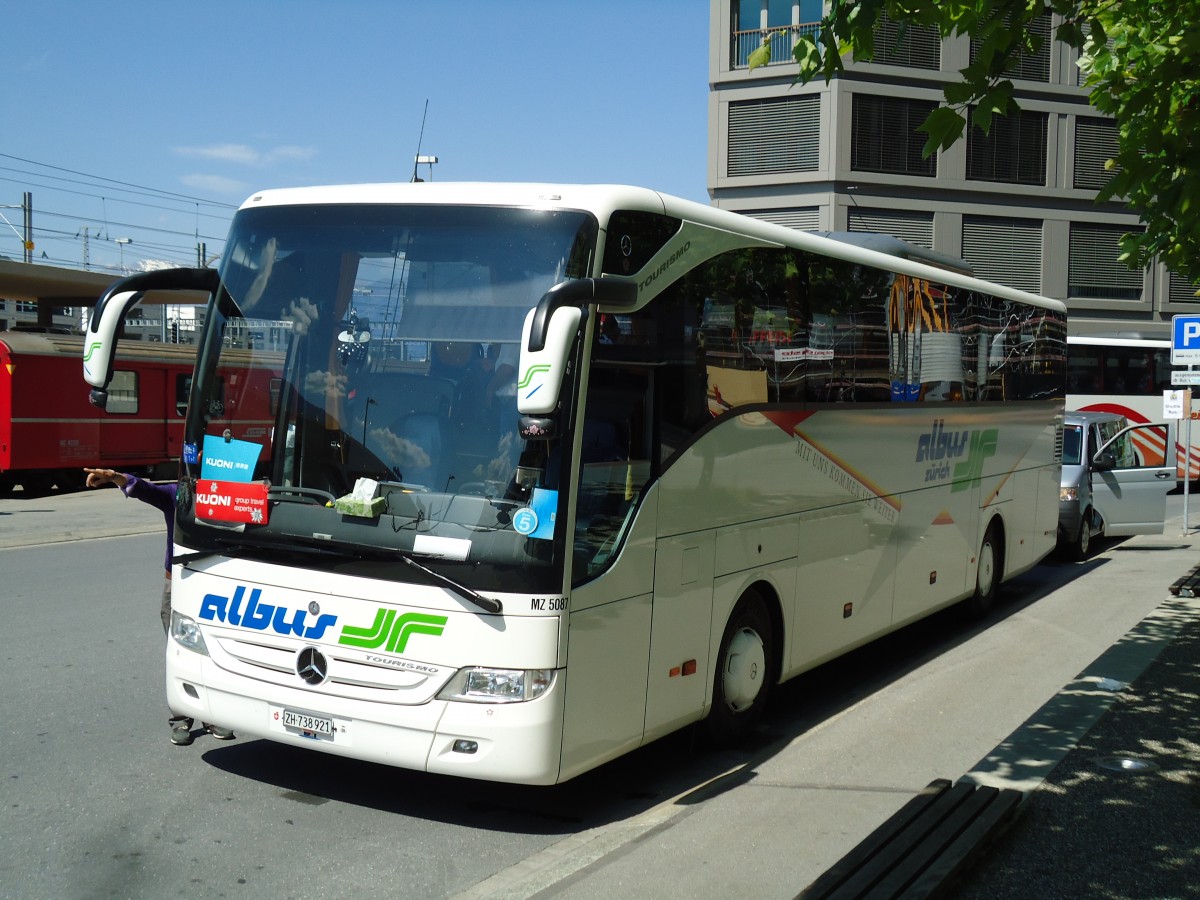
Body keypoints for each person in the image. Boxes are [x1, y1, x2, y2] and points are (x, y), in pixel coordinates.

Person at [83, 467, 235, 747]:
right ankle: (181, 718)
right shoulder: (176, 496)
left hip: (214, 587)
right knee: (181, 653)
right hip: (177, 585)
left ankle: (213, 715)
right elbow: (144, 488)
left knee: (213, 652)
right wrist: (114, 477)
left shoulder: (227, 499)